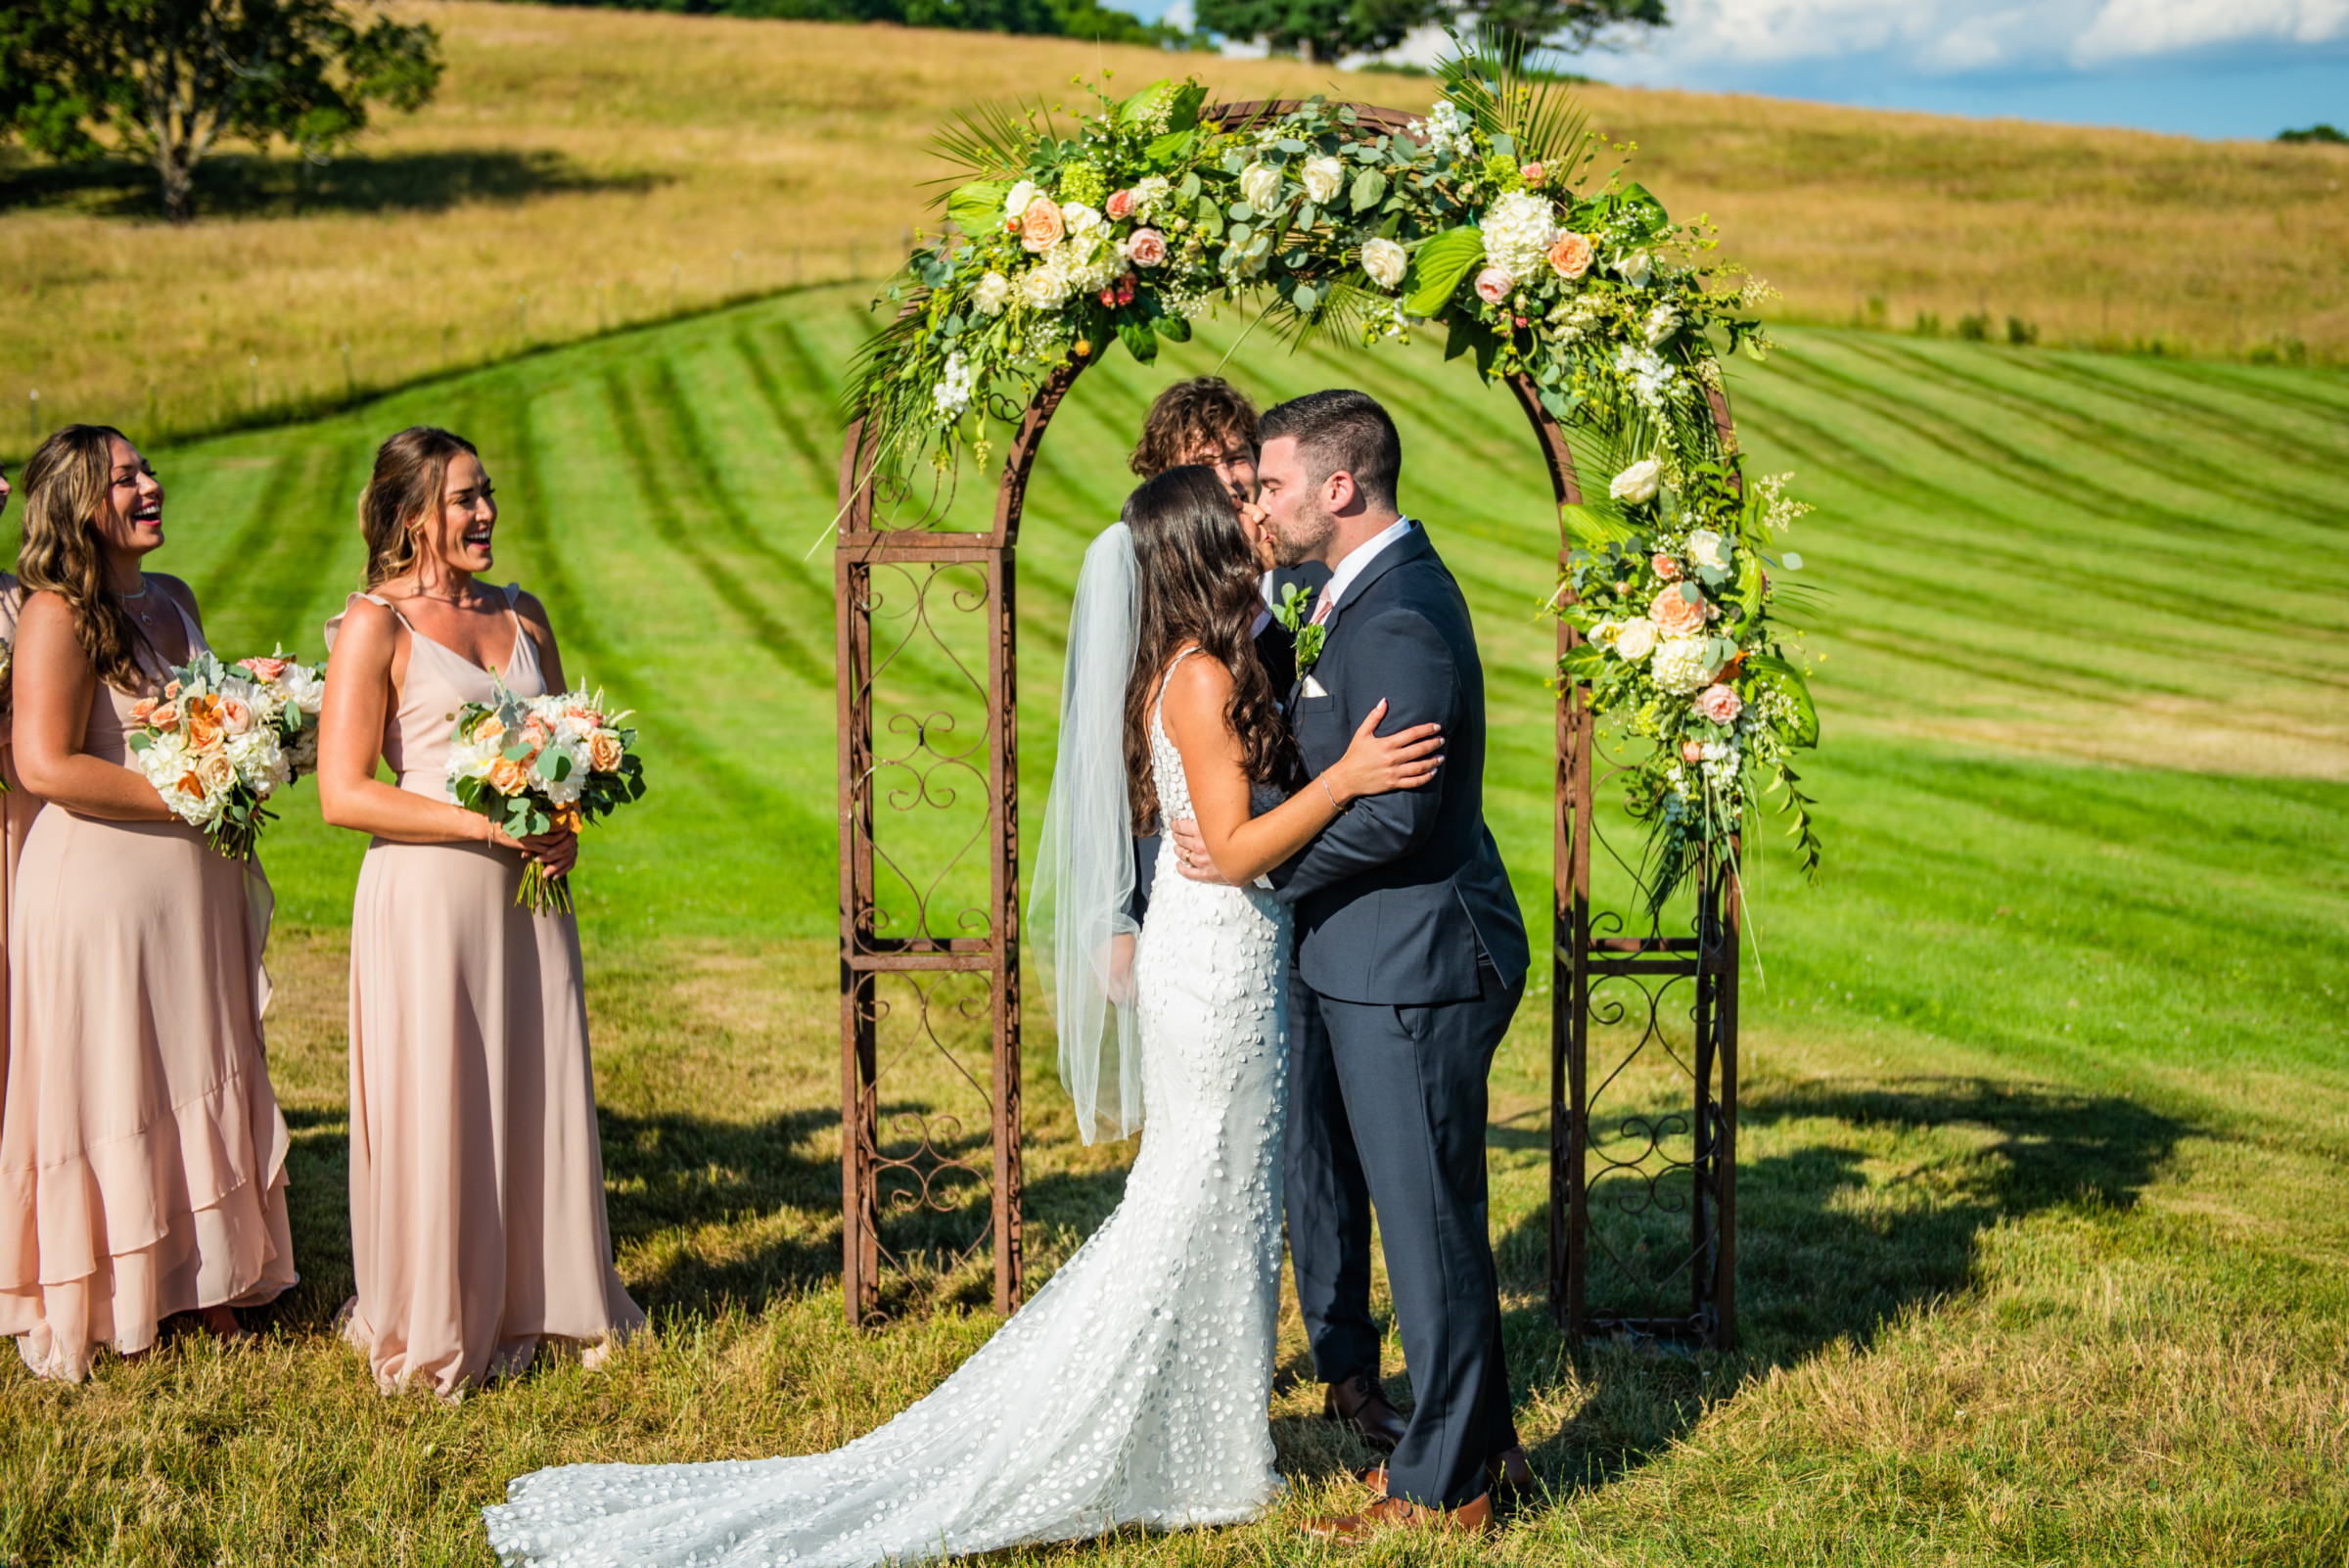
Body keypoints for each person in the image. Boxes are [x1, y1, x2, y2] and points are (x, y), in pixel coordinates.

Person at [480, 466, 1442, 1567]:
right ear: (1201, 552)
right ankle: (1161, 1445)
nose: (1261, 521)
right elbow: (1228, 849)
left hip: (1220, 950)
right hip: (1215, 965)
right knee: (1193, 1200)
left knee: (1223, 1201)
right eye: (1241, 518)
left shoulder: (1200, 664)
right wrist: (1350, 777)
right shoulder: (1198, 677)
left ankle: (1215, 1450)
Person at [1170, 390, 1535, 1539]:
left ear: (1340, 489)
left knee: (1428, 1230)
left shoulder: (1400, 618)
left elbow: (1403, 816)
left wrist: (1257, 860)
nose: (1259, 505)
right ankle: (1479, 1446)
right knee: (1433, 1222)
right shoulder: (1343, 594)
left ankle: (1448, 1488)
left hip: (1413, 964)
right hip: (1369, 960)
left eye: (1270, 484)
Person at [317, 426, 642, 1399]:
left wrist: (564, 825)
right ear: (414, 516)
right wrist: (484, 827)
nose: (486, 512)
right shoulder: (377, 624)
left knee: (530, 1084)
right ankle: (437, 1308)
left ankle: (546, 1296)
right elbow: (345, 793)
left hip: (529, 897)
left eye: (487, 494)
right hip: (426, 900)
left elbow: (565, 752)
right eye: (464, 499)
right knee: (439, 1096)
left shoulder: (525, 615)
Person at [0, 425, 297, 1381]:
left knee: (199, 1062)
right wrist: (200, 792)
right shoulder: (57, 611)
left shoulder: (174, 600)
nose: (150, 486)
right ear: (80, 503)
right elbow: (46, 763)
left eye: (147, 471)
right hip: (99, 890)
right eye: (125, 478)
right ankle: (112, 1290)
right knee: (120, 1078)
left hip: (191, 892)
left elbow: (205, 720)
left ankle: (208, 1276)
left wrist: (258, 738)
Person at [1120, 378, 1329, 931]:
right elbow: (1113, 764)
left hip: (1297, 886)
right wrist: (1117, 916)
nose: (1229, 475)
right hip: (1190, 880)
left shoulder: (1310, 571)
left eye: (1238, 457)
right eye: (1204, 462)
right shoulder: (1147, 608)